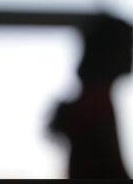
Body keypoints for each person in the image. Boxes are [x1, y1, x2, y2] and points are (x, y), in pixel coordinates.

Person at [50, 15, 132, 178]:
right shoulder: (97, 102)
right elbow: (115, 172)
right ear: (110, 52)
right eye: (127, 47)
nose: (130, 56)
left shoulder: (90, 100)